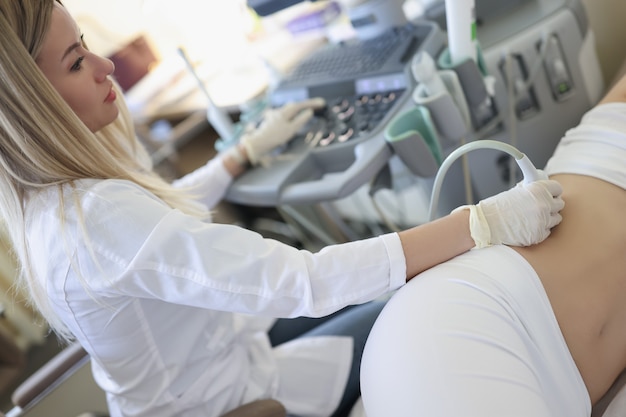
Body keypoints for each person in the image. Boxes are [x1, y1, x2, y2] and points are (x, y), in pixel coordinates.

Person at [0, 1, 565, 417]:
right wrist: (479, 222)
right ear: (34, 108)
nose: (106, 68)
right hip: (224, 400)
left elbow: (160, 235)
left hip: (223, 347)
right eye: (77, 63)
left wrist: (242, 155)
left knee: (404, 281)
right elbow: (305, 280)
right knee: (427, 298)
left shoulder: (52, 202)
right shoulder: (94, 220)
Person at [360, 66, 626, 417]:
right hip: (445, 343)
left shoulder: (606, 141)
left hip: (454, 325)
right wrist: (476, 225)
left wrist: (476, 225)